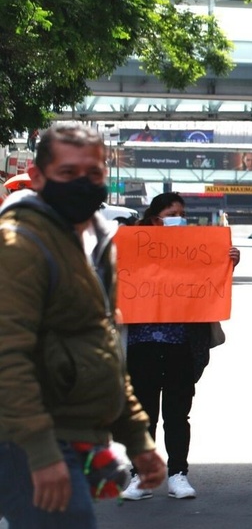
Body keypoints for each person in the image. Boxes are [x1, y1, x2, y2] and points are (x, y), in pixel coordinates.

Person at [0, 122, 166, 527]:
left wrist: (138, 439)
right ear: (38, 178)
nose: (83, 184)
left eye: (93, 174)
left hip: (71, 433)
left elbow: (102, 347)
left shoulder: (94, 242)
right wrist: (40, 453)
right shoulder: (20, 245)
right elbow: (7, 355)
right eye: (68, 173)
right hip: (26, 438)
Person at [120, 193, 240, 501]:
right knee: (142, 415)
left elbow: (211, 284)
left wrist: (228, 263)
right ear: (155, 217)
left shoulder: (193, 245)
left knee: (176, 414)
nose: (179, 218)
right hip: (141, 344)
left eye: (182, 213)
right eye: (172, 213)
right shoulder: (131, 242)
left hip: (180, 345)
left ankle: (177, 474)